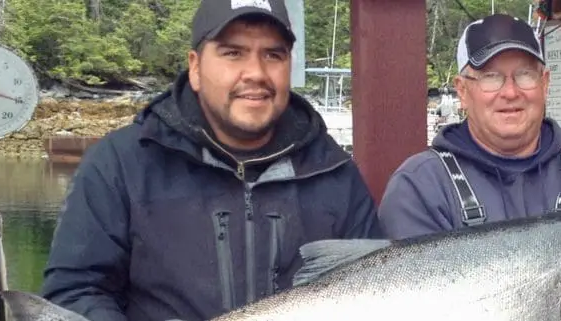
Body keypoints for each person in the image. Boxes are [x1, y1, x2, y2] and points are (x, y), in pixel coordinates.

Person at [39, 1, 382, 320]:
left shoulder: (337, 175)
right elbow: (74, 294)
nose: (256, 73)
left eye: (273, 55)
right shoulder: (120, 164)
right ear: (196, 68)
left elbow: (374, 294)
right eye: (233, 53)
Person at [377, 13, 561, 320]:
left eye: (525, 75)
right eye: (490, 76)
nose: (510, 92)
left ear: (545, 83)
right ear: (462, 90)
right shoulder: (420, 187)